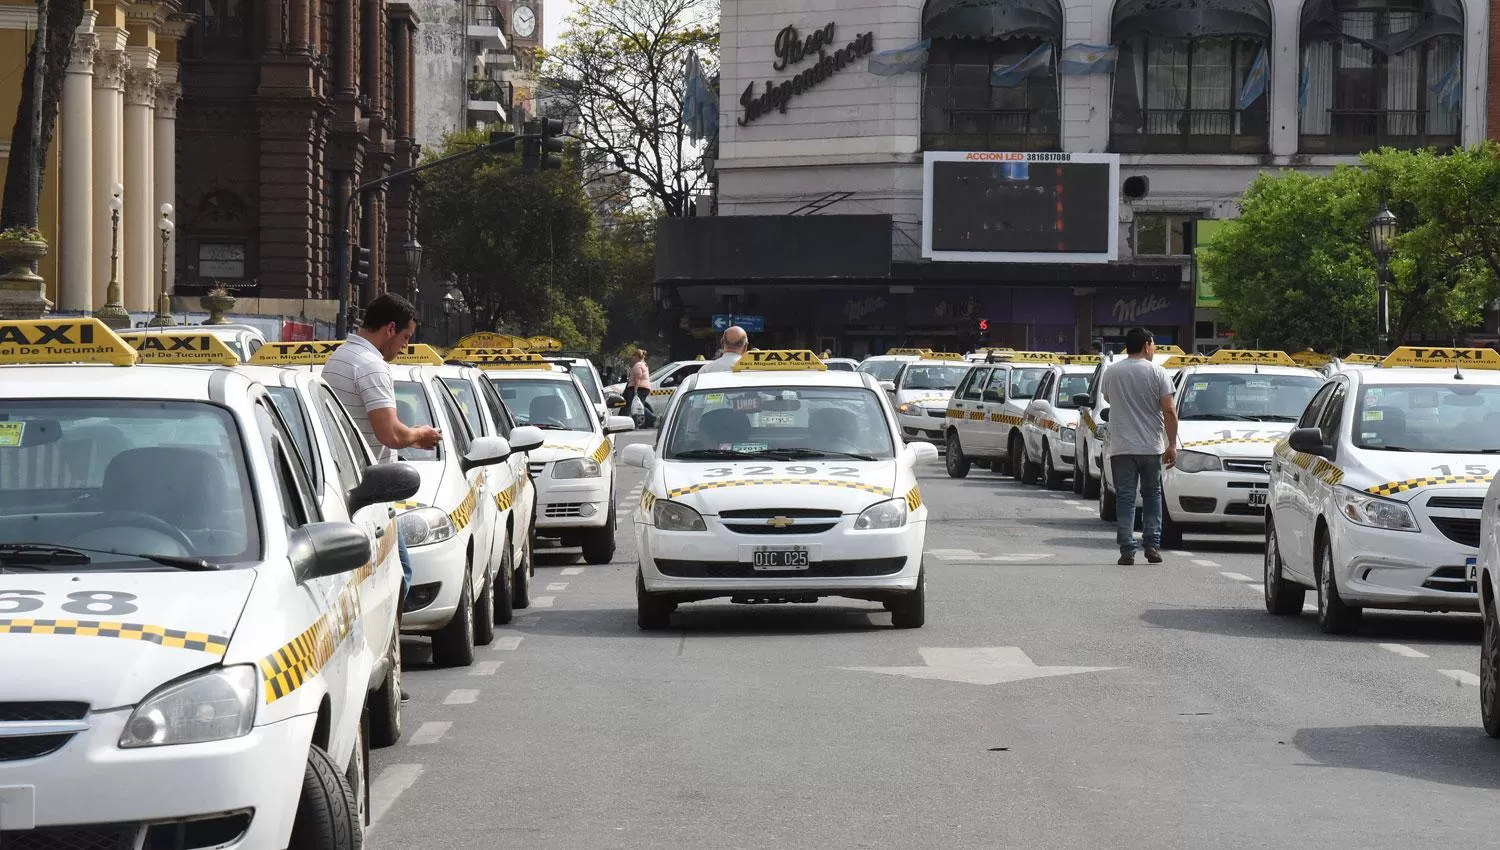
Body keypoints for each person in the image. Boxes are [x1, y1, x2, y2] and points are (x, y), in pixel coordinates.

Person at [323, 293, 444, 702]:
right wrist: (421, 435)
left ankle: (382, 662)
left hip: (347, 487)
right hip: (370, 496)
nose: (404, 347)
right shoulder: (372, 366)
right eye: (406, 338)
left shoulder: (341, 357)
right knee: (398, 577)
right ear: (390, 329)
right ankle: (383, 661)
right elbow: (390, 434)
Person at [1097, 327, 1178, 566]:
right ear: (1145, 345)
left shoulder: (1111, 373)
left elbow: (1110, 400)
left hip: (1121, 445)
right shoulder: (1158, 372)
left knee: (1125, 497)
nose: (1154, 349)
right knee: (1152, 495)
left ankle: (1127, 549)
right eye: (1153, 344)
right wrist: (1172, 444)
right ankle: (1152, 545)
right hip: (1151, 446)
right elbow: (1169, 410)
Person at [627, 348, 657, 428]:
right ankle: (642, 423)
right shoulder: (644, 364)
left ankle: (653, 418)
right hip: (644, 387)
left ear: (637, 356)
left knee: (639, 407)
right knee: (639, 406)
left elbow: (638, 377)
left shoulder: (638, 365)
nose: (632, 357)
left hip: (640, 388)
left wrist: (635, 390)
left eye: (634, 355)